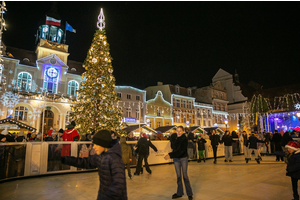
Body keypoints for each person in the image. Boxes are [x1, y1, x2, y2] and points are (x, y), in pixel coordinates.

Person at [61, 130, 128, 200]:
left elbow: (119, 184)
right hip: (103, 193)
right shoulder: (100, 156)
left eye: (96, 144)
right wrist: (65, 159)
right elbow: (86, 162)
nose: (94, 147)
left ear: (104, 145)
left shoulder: (115, 159)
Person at [164, 126, 193, 200]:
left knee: (185, 176)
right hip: (176, 159)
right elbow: (173, 147)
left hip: (183, 158)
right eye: (177, 131)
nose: (178, 132)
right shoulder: (175, 138)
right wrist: (172, 139)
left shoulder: (184, 139)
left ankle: (189, 193)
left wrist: (170, 155)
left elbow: (181, 151)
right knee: (178, 176)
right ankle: (179, 193)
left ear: (183, 131)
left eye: (180, 131)